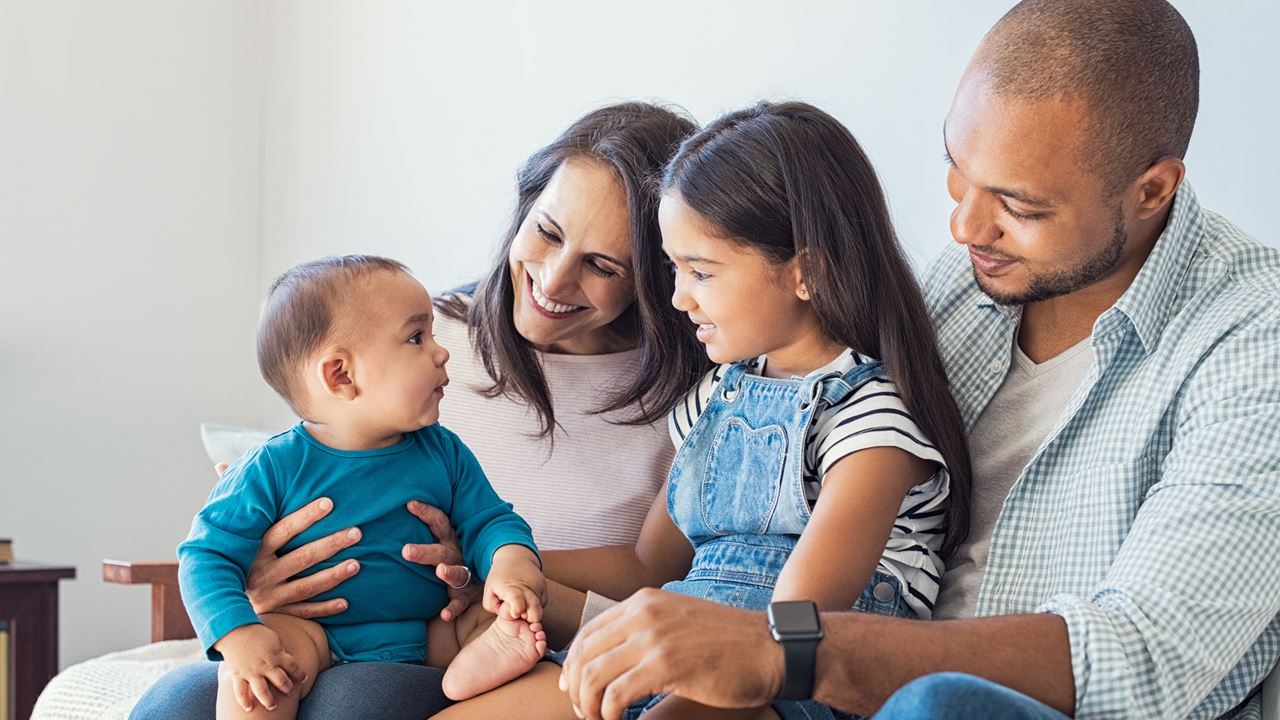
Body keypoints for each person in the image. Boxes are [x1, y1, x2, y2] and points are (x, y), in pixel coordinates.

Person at [558, 2, 1280, 719]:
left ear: (1153, 190)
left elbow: (1143, 658)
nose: (963, 226)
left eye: (1019, 207)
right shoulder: (968, 280)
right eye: (957, 172)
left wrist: (787, 649)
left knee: (937, 704)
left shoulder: (1253, 337)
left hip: (958, 699)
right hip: (852, 690)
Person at [130, 102, 708, 720]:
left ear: (658, 273)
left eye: (602, 265)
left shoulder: (695, 399)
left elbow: (657, 577)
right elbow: (311, 465)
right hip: (328, 622)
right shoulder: (413, 338)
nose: (552, 280)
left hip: (486, 633)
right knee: (176, 702)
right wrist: (253, 588)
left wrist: (487, 566)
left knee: (354, 703)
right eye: (547, 231)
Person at [434, 101, 973, 720]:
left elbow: (792, 632)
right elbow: (648, 565)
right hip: (679, 644)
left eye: (701, 271)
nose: (675, 296)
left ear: (808, 273)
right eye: (673, 267)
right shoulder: (715, 399)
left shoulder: (870, 425)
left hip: (785, 680)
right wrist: (503, 569)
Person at [178, 255, 550, 718]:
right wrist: (239, 637)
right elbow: (205, 555)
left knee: (498, 621)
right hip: (312, 632)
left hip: (431, 627)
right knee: (257, 682)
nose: (441, 351)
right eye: (417, 337)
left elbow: (490, 519)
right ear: (341, 376)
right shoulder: (273, 466)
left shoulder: (444, 451)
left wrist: (511, 566)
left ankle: (477, 662)